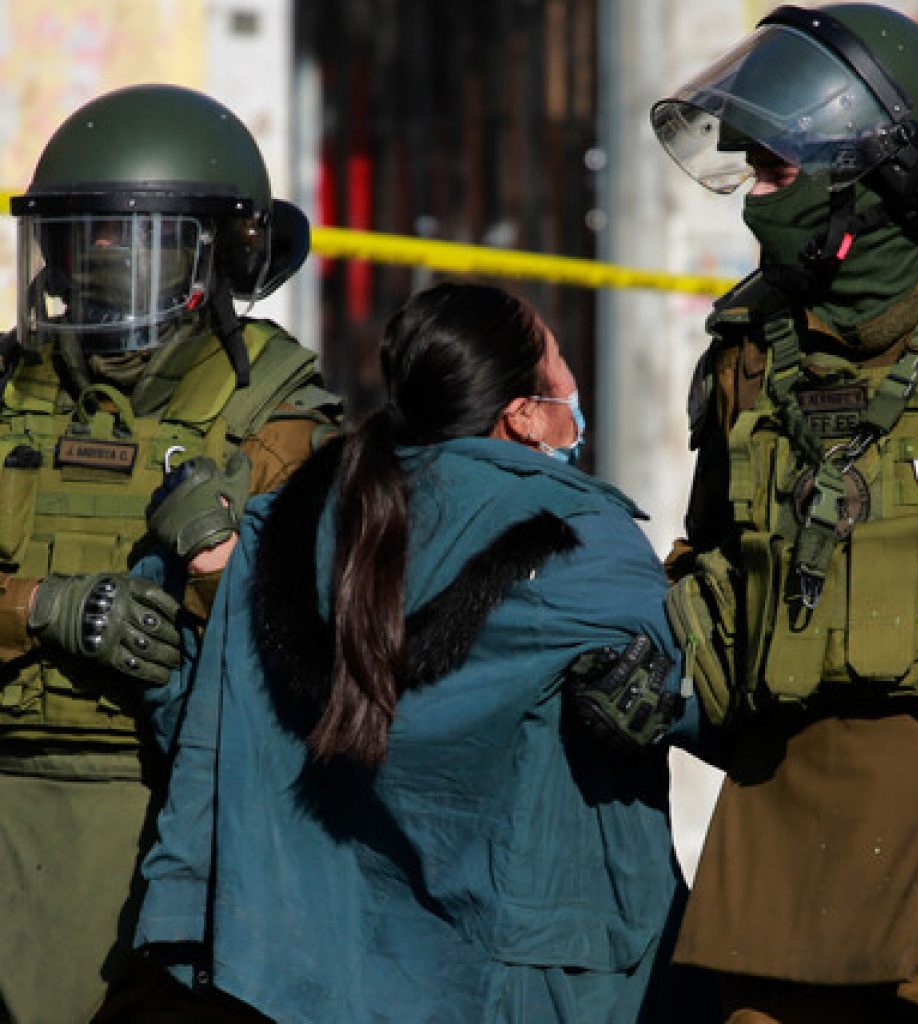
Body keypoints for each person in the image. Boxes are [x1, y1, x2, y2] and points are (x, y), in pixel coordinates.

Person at [133, 281, 705, 1023]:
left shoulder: (292, 525)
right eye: (560, 364)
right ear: (524, 414)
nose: (574, 386)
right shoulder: (580, 539)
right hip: (532, 976)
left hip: (327, 969)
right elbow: (710, 699)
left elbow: (207, 729)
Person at [644, 3, 918, 1021]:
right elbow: (715, 567)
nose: (753, 202)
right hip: (778, 851)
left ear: (874, 177)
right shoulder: (747, 354)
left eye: (775, 173)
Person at [0, 84, 341, 1024]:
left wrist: (213, 573)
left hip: (178, 805)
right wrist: (39, 607)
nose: (103, 258)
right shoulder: (7, 391)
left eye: (133, 237)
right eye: (81, 235)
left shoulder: (271, 412)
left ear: (217, 253)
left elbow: (314, 645)